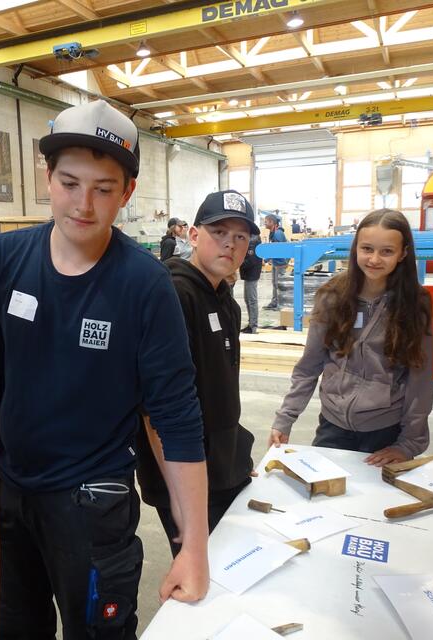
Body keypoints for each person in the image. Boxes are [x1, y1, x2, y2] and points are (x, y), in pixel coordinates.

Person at [0, 100, 209, 639]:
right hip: (9, 498)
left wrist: (193, 546)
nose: (83, 204)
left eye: (103, 189)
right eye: (70, 183)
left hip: (93, 510)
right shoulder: (5, 259)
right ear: (47, 178)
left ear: (127, 192)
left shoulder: (145, 285)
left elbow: (175, 420)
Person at [137, 190, 258, 555]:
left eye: (240, 237)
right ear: (193, 235)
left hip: (221, 470)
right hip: (185, 472)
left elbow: (220, 391)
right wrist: (180, 492)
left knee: (230, 564)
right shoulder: (174, 295)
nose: (230, 244)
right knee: (200, 572)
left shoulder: (225, 300)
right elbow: (155, 410)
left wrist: (233, 459)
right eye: (219, 232)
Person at [269, 209, 433, 467]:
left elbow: (419, 378)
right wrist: (285, 418)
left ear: (403, 253)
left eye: (387, 251)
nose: (374, 259)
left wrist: (408, 443)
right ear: (356, 248)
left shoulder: (416, 303)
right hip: (333, 426)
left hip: (385, 431)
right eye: (367, 249)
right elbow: (310, 365)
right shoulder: (332, 296)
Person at [263, 212, 287, 310]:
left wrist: (265, 259)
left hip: (280, 263)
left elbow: (276, 250)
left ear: (272, 222)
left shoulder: (277, 234)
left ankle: (280, 304)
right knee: (275, 283)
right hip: (275, 262)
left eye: (266, 222)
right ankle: (274, 302)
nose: (264, 223)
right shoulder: (273, 232)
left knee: (279, 284)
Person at [240, 233, 262, 333]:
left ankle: (253, 326)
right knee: (247, 299)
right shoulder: (251, 240)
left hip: (251, 274)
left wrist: (238, 262)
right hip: (249, 274)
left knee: (251, 300)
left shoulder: (252, 241)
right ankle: (251, 324)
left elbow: (251, 260)